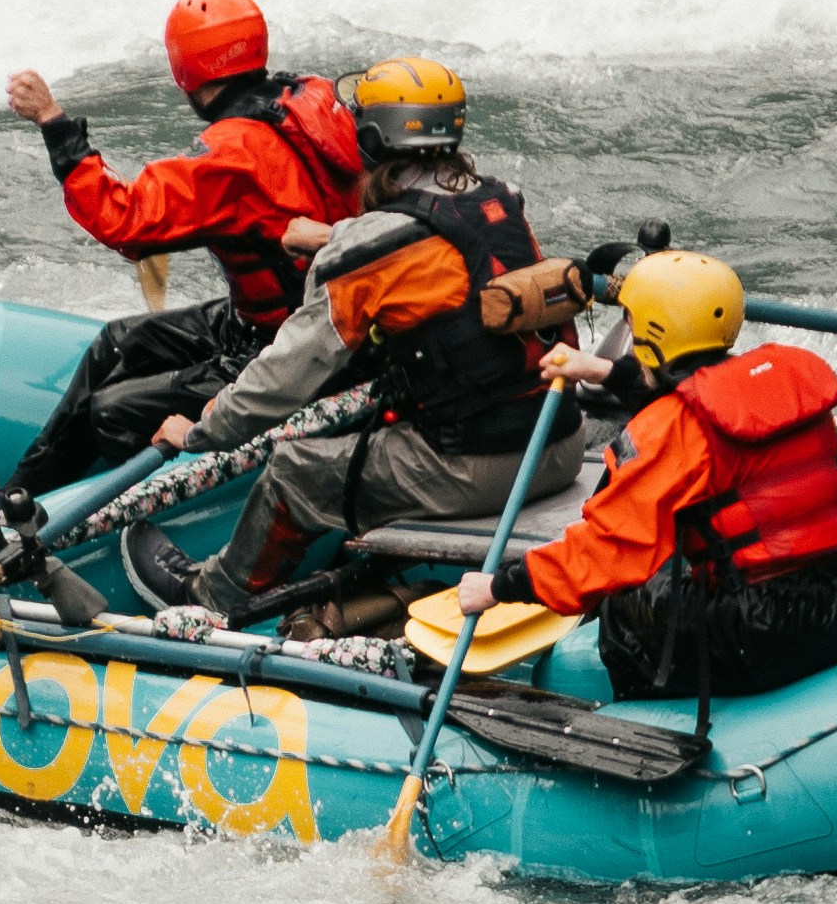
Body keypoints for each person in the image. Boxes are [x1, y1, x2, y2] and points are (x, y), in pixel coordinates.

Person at [166, 54, 593, 619]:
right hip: (558, 442)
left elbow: (280, 380)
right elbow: (441, 238)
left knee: (293, 471)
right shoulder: (502, 200)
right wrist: (335, 234)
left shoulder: (363, 253)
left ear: (369, 138)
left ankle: (207, 599)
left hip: (476, 467)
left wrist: (202, 430)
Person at [457, 252, 837, 704]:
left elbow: (607, 553)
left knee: (628, 596)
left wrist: (500, 587)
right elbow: (692, 394)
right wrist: (601, 371)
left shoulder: (670, 428)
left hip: (761, 632)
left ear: (651, 335)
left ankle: (643, 724)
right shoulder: (782, 381)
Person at [3, 0, 364, 495]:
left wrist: (53, 122)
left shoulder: (231, 156)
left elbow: (124, 221)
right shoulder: (312, 98)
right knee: (117, 341)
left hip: (293, 343)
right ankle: (16, 500)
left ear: (185, 72)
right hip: (306, 314)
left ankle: (142, 518)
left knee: (112, 411)